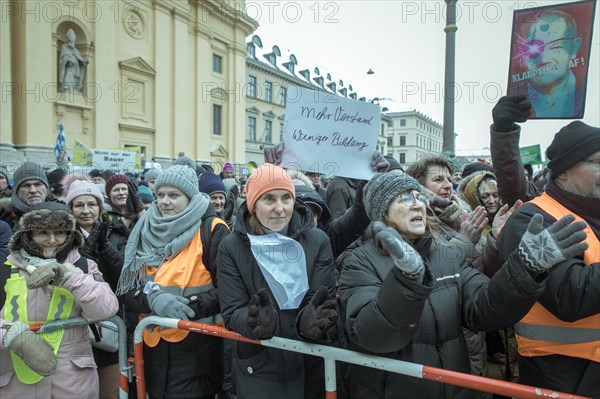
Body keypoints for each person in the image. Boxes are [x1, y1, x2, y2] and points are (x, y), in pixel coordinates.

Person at [337, 172, 588, 398]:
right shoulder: (357, 262)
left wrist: (525, 266)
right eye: (404, 198)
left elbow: (485, 309)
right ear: (381, 212)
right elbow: (374, 336)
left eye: (418, 197)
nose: (418, 204)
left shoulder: (446, 256)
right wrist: (405, 282)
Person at [218, 163, 340, 399]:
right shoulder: (232, 247)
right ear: (253, 204)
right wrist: (254, 322)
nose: (280, 208)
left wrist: (310, 323)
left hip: (310, 361)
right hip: (260, 365)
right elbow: (232, 310)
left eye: (286, 198)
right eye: (269, 199)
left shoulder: (317, 240)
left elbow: (321, 299)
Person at [497, 121, 599, 397]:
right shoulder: (531, 219)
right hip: (563, 375)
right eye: (598, 163)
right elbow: (570, 296)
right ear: (564, 171)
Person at [117, 165, 230, 399]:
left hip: (198, 350)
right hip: (151, 348)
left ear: (190, 196)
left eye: (174, 195)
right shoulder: (144, 229)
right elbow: (127, 288)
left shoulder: (213, 230)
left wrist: (186, 306)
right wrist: (153, 299)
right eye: (160, 195)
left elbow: (228, 291)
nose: (165, 202)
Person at [0, 205, 119, 398]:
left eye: (60, 233)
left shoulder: (84, 267)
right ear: (27, 235)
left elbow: (106, 309)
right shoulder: (4, 269)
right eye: (42, 233)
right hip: (15, 383)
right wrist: (13, 335)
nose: (52, 240)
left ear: (70, 235)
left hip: (71, 383)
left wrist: (70, 278)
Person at [511, 9, 583, 118]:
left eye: (555, 47)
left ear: (574, 48)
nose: (543, 60)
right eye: (532, 50)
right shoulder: (512, 100)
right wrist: (502, 130)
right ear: (520, 54)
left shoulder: (591, 95)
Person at [0, 162, 57, 231]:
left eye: (38, 184)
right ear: (17, 191)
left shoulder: (63, 213)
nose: (33, 190)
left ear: (46, 188)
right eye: (26, 185)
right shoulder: (4, 216)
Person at [58, 28, 88, 93]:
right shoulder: (64, 46)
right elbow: (63, 57)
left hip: (75, 68)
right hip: (69, 67)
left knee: (75, 78)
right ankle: (66, 88)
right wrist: (68, 60)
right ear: (68, 41)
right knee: (68, 75)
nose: (71, 44)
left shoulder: (76, 50)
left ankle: (74, 89)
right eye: (70, 42)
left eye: (73, 42)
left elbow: (80, 59)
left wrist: (84, 63)